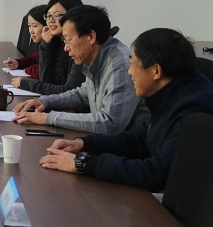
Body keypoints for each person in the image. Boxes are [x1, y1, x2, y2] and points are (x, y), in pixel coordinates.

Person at [38, 28, 213, 191]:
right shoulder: (174, 92)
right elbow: (139, 139)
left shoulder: (194, 110)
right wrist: (84, 144)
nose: (129, 72)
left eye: (133, 64)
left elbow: (155, 173)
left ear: (156, 71)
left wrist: (84, 163)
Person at [13, 5, 149, 133]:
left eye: (68, 40)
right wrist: (45, 101)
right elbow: (82, 95)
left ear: (91, 37)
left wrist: (49, 118)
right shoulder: (97, 56)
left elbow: (110, 122)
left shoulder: (119, 65)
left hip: (127, 147)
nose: (66, 48)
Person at [16, 0, 86, 94]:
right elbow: (46, 81)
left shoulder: (80, 45)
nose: (51, 20)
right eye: (48, 16)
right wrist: (46, 46)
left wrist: (27, 84)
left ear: (74, 15)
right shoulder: (58, 43)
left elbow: (68, 91)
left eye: (57, 15)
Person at [3, 4, 47, 79]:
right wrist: (18, 63)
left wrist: (27, 70)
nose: (31, 31)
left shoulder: (54, 46)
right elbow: (35, 58)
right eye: (29, 26)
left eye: (35, 26)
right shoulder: (45, 44)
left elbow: (44, 71)